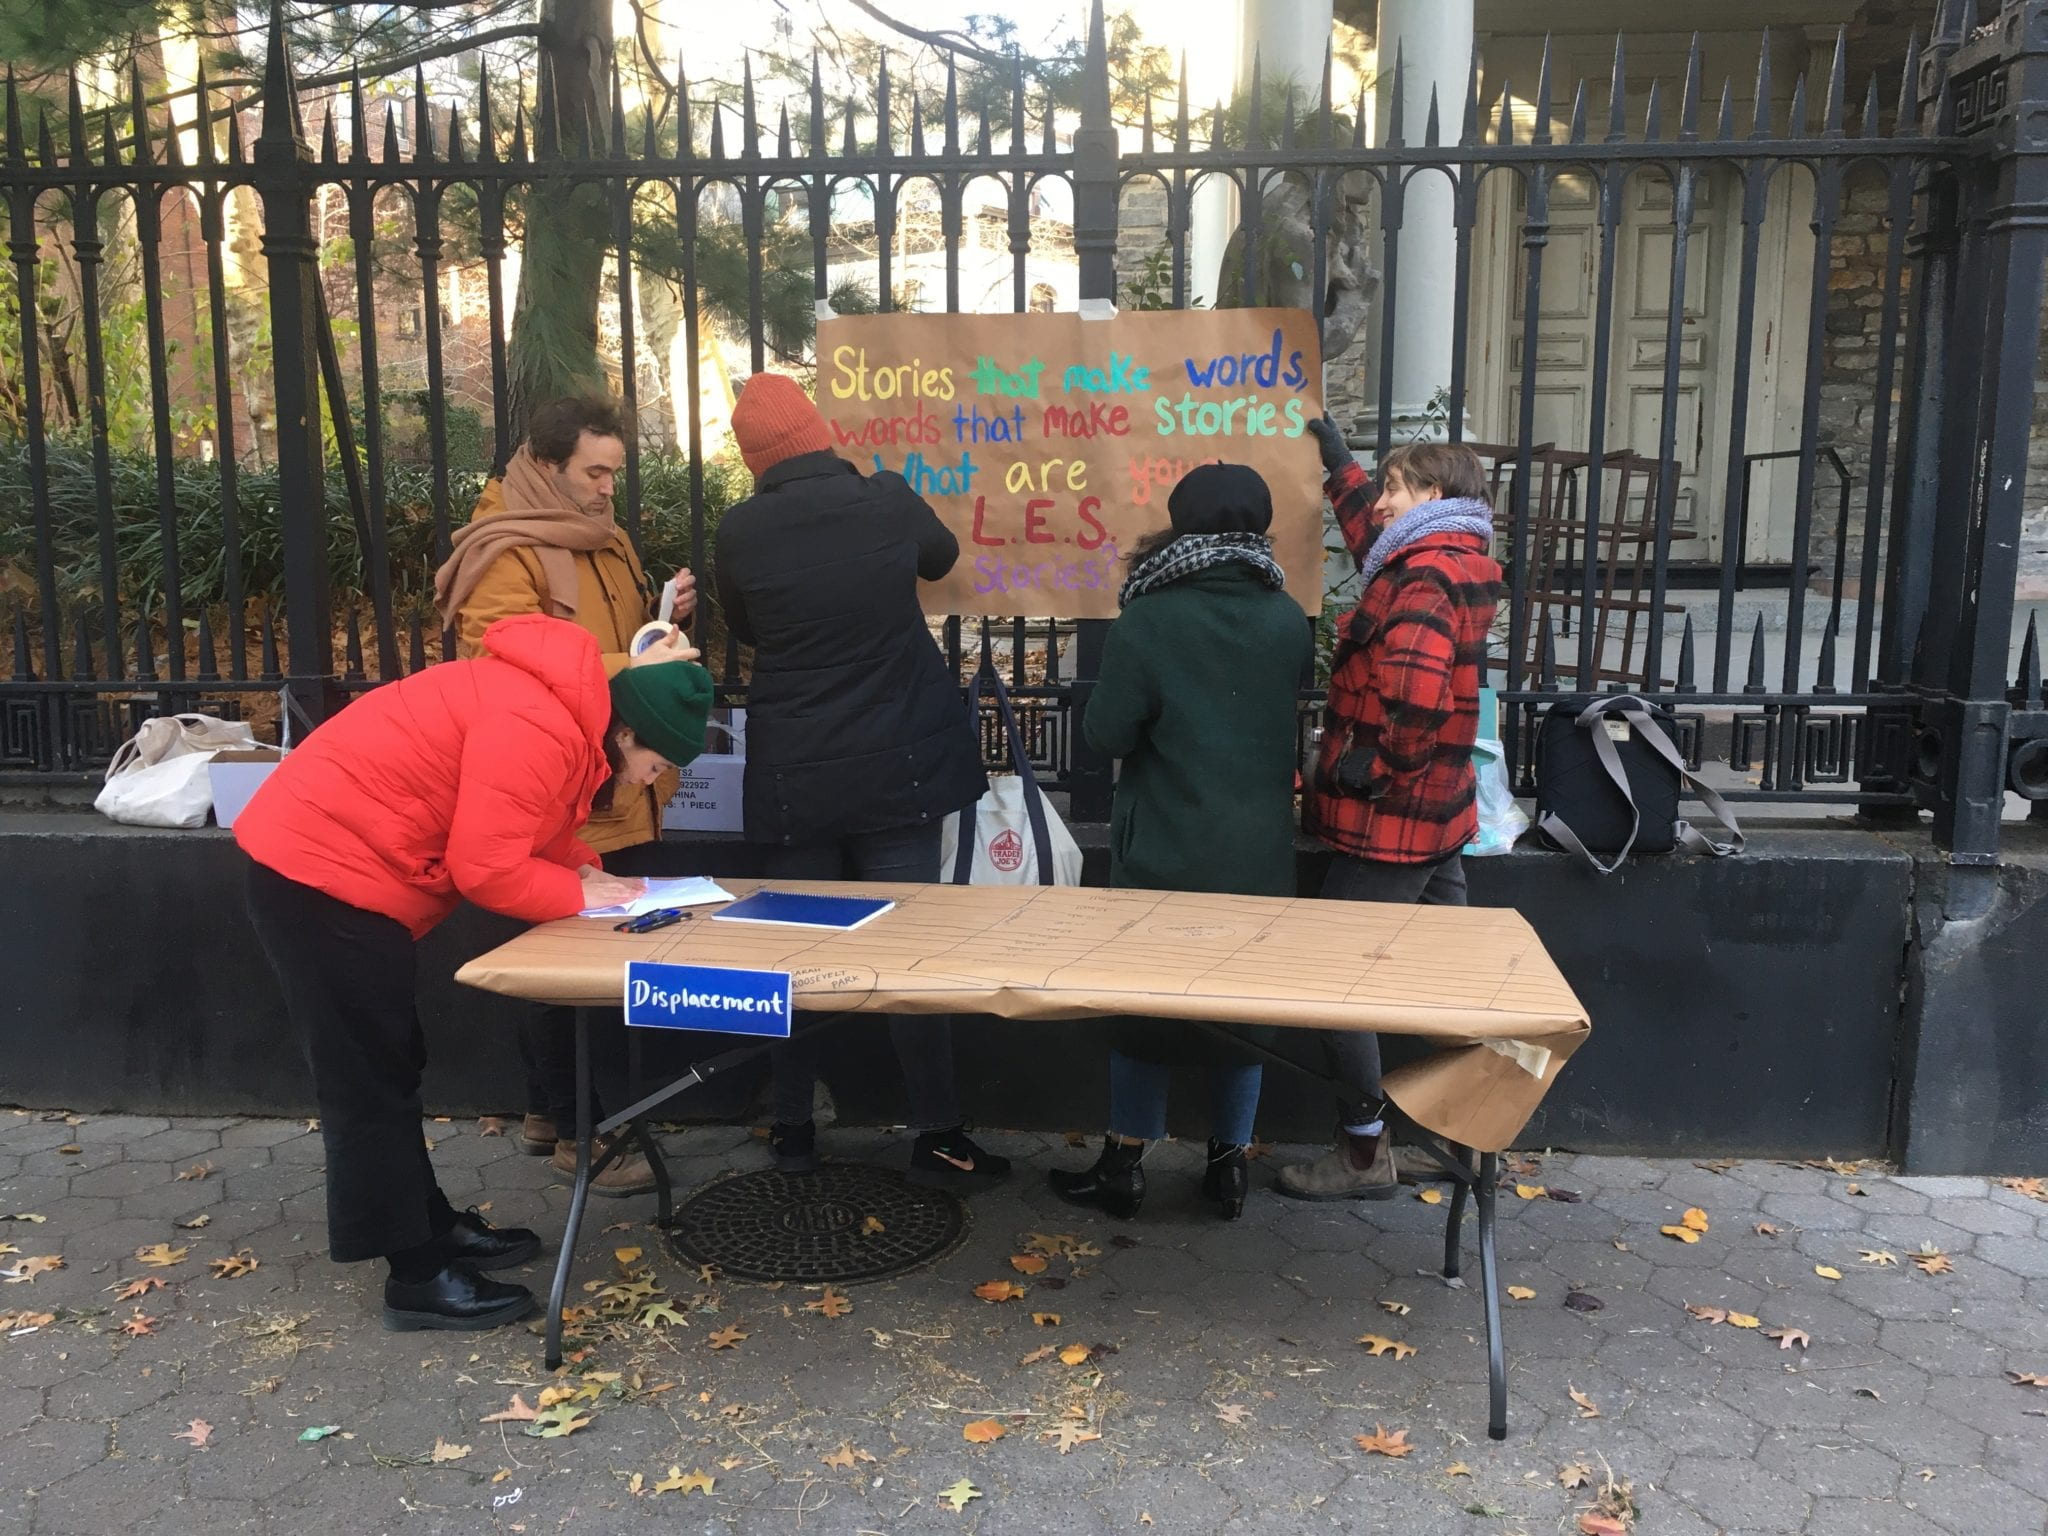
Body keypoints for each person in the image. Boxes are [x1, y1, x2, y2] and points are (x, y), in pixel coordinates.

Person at [236, 613, 710, 1330]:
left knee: (393, 1061)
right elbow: (485, 869)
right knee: (368, 1076)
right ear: (625, 736)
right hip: (318, 874)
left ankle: (428, 1225)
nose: (657, 778)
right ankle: (417, 1276)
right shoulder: (539, 726)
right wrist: (577, 890)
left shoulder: (562, 719)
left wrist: (583, 867)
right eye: (657, 762)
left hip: (343, 867)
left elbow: (531, 823)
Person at [712, 372, 1005, 1189]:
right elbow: (942, 557)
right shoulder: (886, 500)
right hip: (900, 770)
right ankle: (939, 1131)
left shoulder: (743, 530)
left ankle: (793, 1129)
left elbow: (742, 626)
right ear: (820, 433)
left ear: (754, 460)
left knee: (794, 957)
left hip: (796, 780)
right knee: (911, 957)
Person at [434, 396, 697, 1197]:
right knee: (566, 972)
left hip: (620, 772)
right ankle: (585, 1138)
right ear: (547, 465)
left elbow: (601, 637)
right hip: (556, 779)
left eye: (614, 471)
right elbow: (506, 656)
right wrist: (636, 663)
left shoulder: (601, 535)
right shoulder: (503, 545)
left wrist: (660, 623)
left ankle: (552, 1111)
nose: (607, 487)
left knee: (586, 966)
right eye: (594, 470)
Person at [1047, 464, 1311, 1222]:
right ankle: (1228, 1166)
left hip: (1162, 844)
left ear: (1178, 523)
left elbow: (1104, 734)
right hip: (1258, 853)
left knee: (1143, 1000)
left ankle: (1124, 1163)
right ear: (1257, 528)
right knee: (1242, 1005)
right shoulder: (1286, 618)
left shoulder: (1148, 621)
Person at [1279, 423, 1503, 1202]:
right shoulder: (1446, 557)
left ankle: (1364, 1155)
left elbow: (1413, 695)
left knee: (1335, 982)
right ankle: (1470, 1136)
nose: (1380, 504)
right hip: (1440, 818)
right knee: (1445, 979)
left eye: (1394, 489)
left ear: (1431, 498)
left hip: (1394, 827)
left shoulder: (1423, 579)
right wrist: (1340, 467)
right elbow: (1369, 533)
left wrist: (1363, 769)